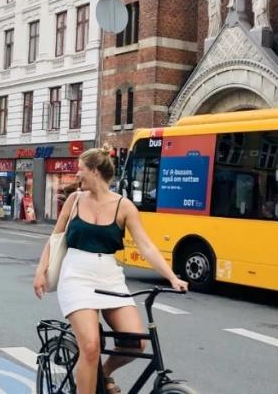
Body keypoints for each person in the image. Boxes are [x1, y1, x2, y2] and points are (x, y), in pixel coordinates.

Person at [32, 146, 188, 394]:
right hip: (76, 277)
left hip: (110, 278)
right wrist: (41, 271)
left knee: (135, 343)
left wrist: (172, 277)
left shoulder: (124, 207)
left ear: (94, 171)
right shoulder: (73, 201)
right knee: (91, 347)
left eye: (80, 170)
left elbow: (146, 246)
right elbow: (55, 238)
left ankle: (102, 375)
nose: (77, 175)